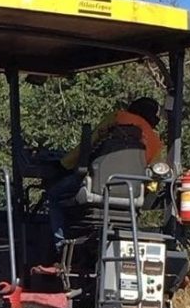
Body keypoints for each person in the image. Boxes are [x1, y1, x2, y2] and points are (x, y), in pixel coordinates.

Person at [48, 97, 164, 249]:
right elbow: (153, 175)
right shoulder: (156, 142)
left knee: (53, 195)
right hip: (131, 194)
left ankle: (60, 244)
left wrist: (64, 164)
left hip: (96, 187)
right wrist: (147, 193)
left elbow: (87, 146)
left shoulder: (117, 118)